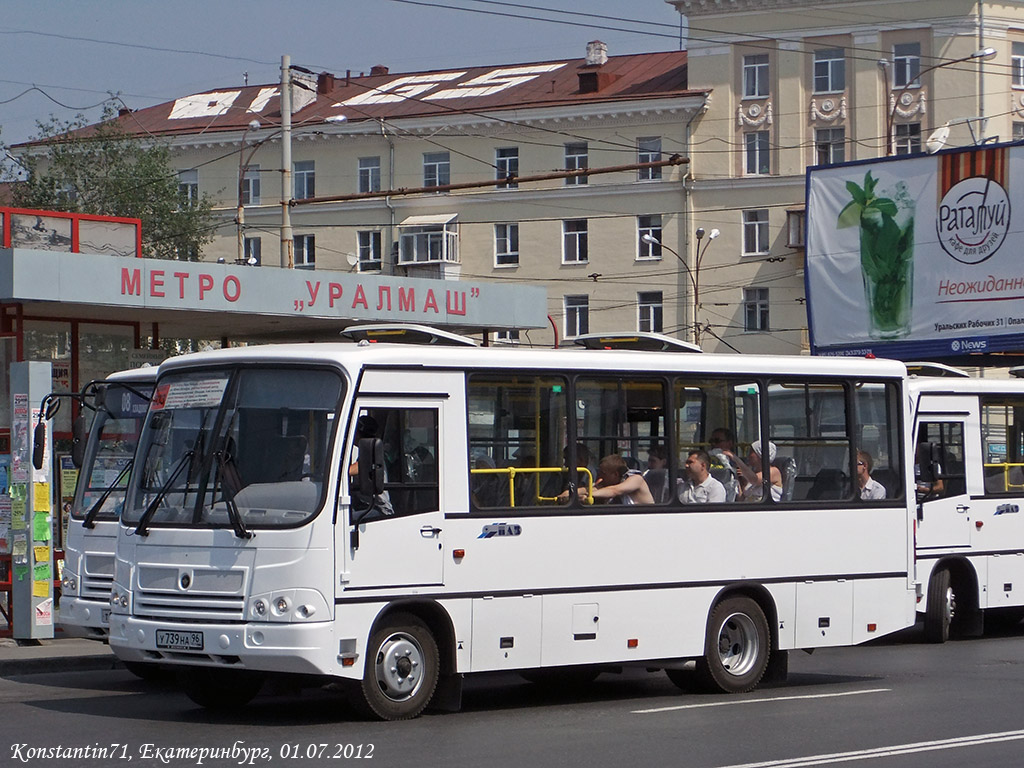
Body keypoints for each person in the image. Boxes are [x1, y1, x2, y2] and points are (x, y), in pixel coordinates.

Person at [580, 453, 654, 505]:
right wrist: (572, 495)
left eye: (603, 473)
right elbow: (592, 489)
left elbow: (614, 491)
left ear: (615, 474)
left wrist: (589, 495)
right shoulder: (610, 483)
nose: (600, 476)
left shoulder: (636, 479)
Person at [707, 428, 741, 502]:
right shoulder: (707, 459)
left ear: (729, 443)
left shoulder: (739, 463)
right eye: (711, 441)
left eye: (717, 441)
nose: (713, 444)